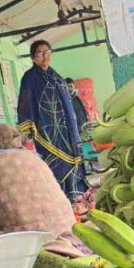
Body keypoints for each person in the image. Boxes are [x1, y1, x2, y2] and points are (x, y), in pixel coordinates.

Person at [18, 40, 86, 199]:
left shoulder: (56, 76)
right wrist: (28, 131)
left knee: (73, 162)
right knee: (56, 166)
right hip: (48, 132)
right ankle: (60, 200)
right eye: (40, 53)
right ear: (33, 57)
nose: (45, 56)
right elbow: (26, 103)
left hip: (67, 132)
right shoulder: (30, 78)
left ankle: (76, 198)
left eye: (48, 52)